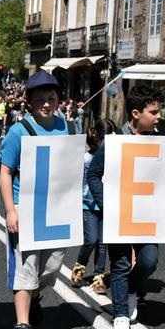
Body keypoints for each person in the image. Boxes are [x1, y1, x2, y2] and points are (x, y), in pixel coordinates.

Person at [87, 84, 163, 329]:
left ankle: (131, 289)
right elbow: (94, 174)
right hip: (119, 213)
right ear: (135, 113)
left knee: (149, 260)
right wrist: (106, 204)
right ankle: (120, 314)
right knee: (119, 263)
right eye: (153, 112)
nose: (158, 116)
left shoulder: (158, 142)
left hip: (147, 215)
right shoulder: (115, 141)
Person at [0, 70, 68, 329]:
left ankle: (36, 297)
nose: (47, 104)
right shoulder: (18, 131)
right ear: (29, 101)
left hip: (55, 211)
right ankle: (23, 326)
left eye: (51, 98)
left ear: (58, 99)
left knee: (52, 266)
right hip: (25, 208)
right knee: (26, 269)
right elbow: (5, 172)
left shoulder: (66, 126)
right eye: (40, 99)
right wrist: (10, 211)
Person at [70, 118, 117, 294]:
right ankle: (79, 267)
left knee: (103, 243)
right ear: (97, 136)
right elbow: (79, 181)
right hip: (88, 204)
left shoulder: (114, 158)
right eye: (105, 138)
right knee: (91, 239)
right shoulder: (86, 158)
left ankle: (99, 278)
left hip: (106, 205)